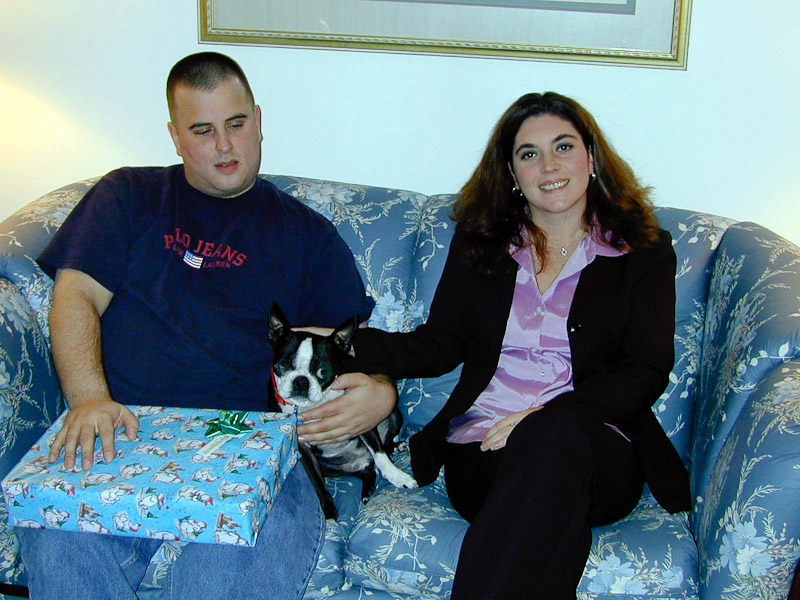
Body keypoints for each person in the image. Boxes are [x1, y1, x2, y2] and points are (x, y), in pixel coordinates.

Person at [15, 52, 397, 600]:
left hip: (257, 443)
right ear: (175, 136)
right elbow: (75, 297)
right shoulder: (128, 195)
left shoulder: (308, 236)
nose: (224, 146)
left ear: (258, 121)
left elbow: (343, 349)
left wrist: (380, 391)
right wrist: (89, 400)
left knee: (222, 578)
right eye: (202, 130)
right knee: (62, 543)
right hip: (125, 429)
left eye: (236, 124)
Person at [304, 92, 692, 599]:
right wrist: (340, 346)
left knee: (554, 442)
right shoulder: (481, 243)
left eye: (563, 146)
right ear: (511, 172)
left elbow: (646, 369)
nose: (548, 166)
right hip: (485, 447)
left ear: (592, 157)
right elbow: (440, 344)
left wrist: (548, 417)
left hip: (597, 447)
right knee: (542, 504)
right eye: (529, 154)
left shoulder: (643, 252)